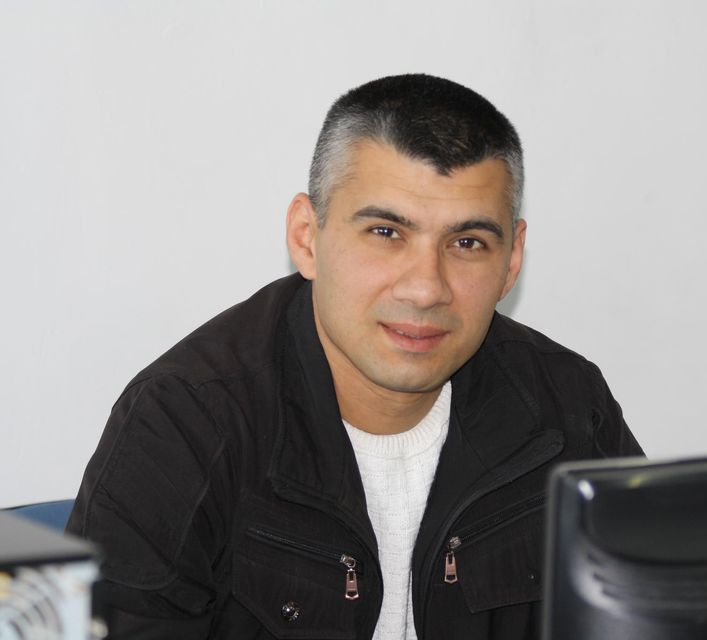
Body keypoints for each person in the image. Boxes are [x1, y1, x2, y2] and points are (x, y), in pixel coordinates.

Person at [68, 73, 643, 640]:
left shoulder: (566, 406)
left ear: (511, 261)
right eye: (386, 233)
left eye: (467, 243)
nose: (426, 289)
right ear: (306, 236)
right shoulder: (185, 421)